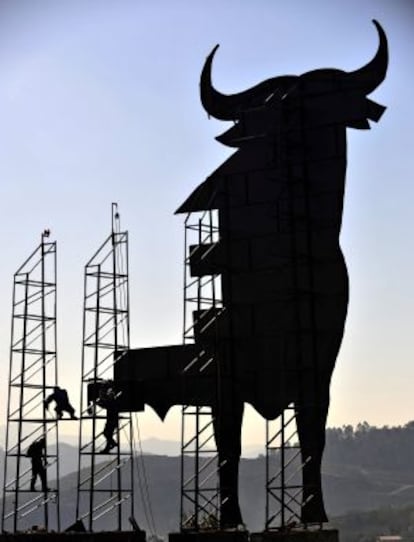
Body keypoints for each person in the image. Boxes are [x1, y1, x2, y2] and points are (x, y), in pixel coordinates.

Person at [97, 386, 121, 454]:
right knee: (109, 435)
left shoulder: (111, 402)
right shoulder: (114, 401)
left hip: (111, 421)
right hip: (112, 421)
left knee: (106, 433)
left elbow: (104, 405)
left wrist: (98, 402)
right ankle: (107, 448)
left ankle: (113, 443)